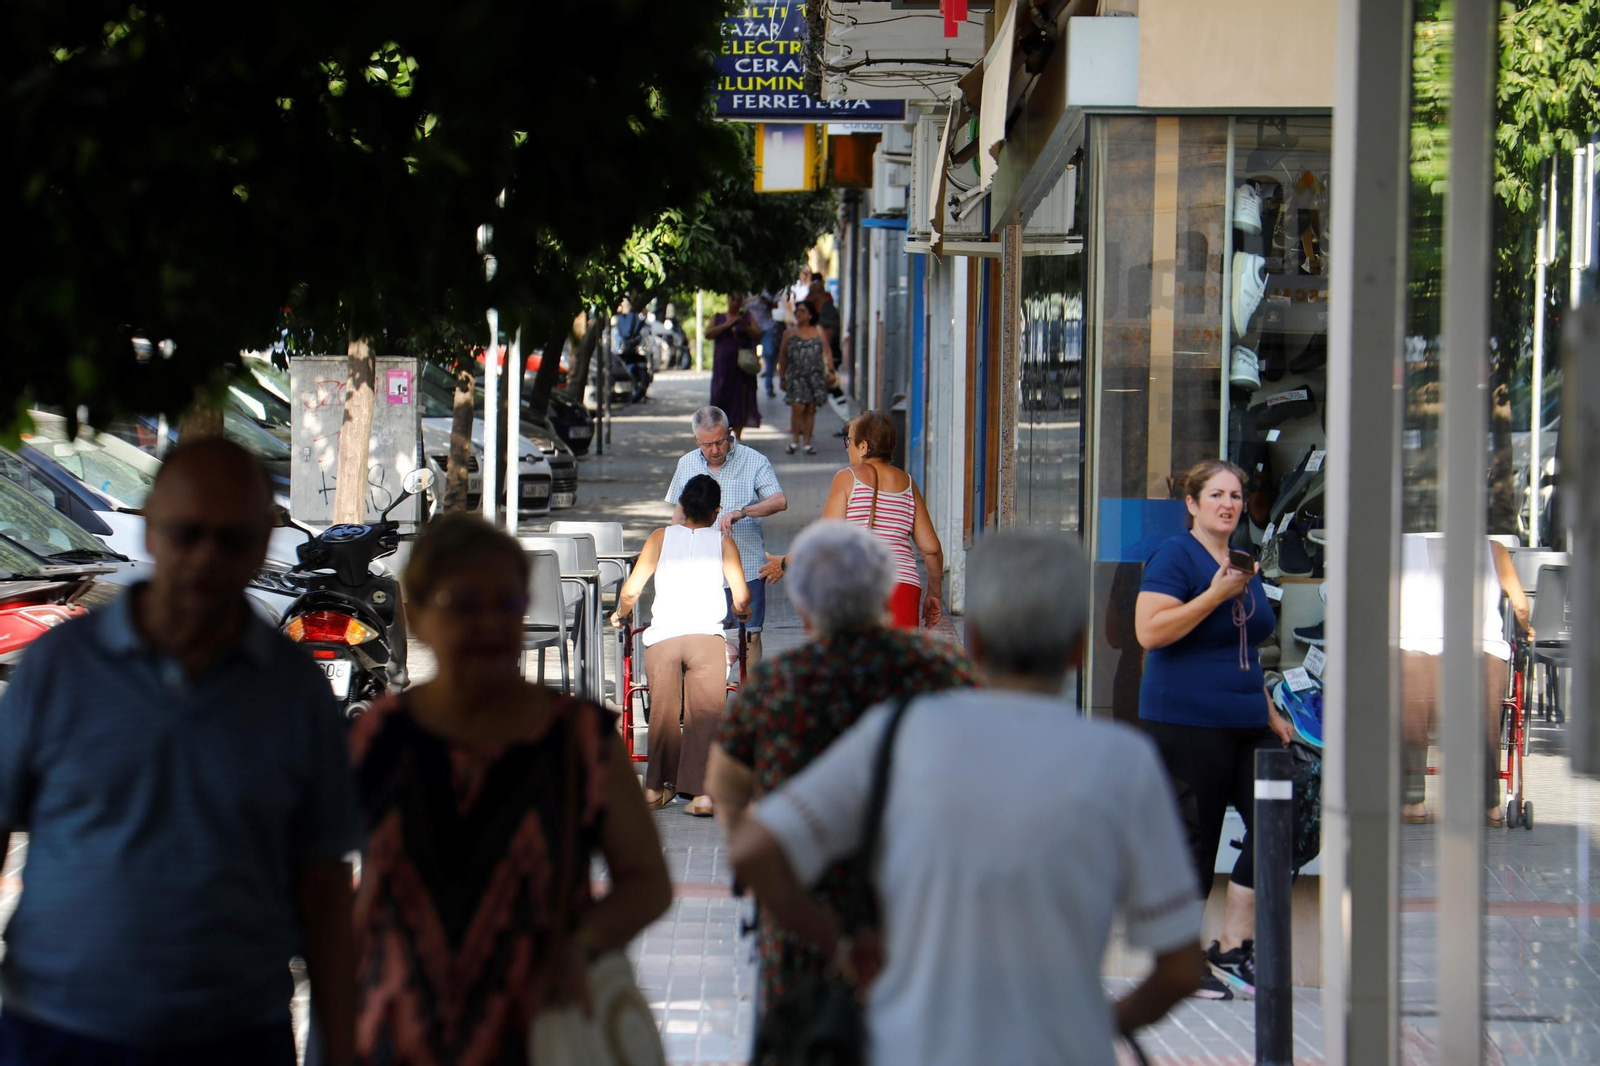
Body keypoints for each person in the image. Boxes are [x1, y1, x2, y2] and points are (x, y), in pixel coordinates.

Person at [729, 530, 1203, 1066]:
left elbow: (754, 850)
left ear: (974, 640)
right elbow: (1182, 969)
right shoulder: (1125, 762)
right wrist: (1099, 1022)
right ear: (1079, 644)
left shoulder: (903, 732)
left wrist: (840, 944)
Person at [0, 439, 361, 1066]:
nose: (205, 557)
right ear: (150, 529)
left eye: (232, 539)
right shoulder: (61, 667)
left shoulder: (293, 690)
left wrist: (342, 1048)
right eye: (186, 532)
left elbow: (324, 887)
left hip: (234, 1035)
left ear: (261, 545)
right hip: (56, 1030)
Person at [349, 514, 671, 1064]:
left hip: (540, 1029)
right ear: (418, 616)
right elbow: (346, 883)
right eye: (463, 604)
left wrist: (581, 947)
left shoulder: (580, 738)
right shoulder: (380, 734)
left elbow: (647, 884)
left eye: (507, 603)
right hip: (398, 1029)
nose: (489, 624)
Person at [707, 521, 976, 1016]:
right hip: (920, 919)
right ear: (882, 592)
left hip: (803, 922)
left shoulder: (778, 685)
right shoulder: (943, 671)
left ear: (804, 608)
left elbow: (724, 789)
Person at [1133, 457, 1294, 1001]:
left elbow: (1245, 644)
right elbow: (1149, 632)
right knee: (1194, 842)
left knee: (1281, 821)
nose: (1228, 504)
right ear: (1193, 504)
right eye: (1217, 495)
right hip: (1185, 719)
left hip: (1248, 719)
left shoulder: (1242, 560)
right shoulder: (1175, 556)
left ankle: (1231, 944)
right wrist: (1213, 596)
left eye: (1235, 495)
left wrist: (1268, 706)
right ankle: (1180, 963)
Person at [612, 475, 752, 817]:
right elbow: (742, 597)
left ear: (682, 507)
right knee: (705, 714)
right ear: (717, 511)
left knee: (661, 712)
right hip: (706, 639)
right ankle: (703, 796)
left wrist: (620, 614)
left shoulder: (660, 538)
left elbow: (631, 591)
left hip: (664, 639)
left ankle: (654, 788)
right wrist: (741, 611)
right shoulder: (723, 543)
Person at [759, 411, 944, 629]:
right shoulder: (909, 485)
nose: (847, 447)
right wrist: (935, 593)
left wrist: (786, 563)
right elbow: (931, 550)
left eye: (849, 441)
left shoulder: (848, 478)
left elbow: (826, 538)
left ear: (863, 447)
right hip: (903, 586)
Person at [1398, 534, 1531, 826]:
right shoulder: (1492, 550)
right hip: (1481, 653)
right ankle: (1490, 806)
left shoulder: (1400, 547)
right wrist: (1526, 628)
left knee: (1413, 713)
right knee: (1485, 717)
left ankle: (1414, 801)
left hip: (1418, 648)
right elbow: (1520, 606)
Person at [666, 407, 788, 668]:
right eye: (707, 444)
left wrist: (742, 512)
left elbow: (779, 501)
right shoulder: (686, 463)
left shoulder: (754, 460)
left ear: (730, 434)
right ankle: (708, 697)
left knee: (750, 637)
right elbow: (678, 514)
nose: (714, 450)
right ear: (695, 440)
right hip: (699, 572)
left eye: (720, 442)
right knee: (703, 639)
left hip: (745, 569)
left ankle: (749, 700)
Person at [776, 299, 834, 455]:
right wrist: (782, 377)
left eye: (802, 311)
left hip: (815, 376)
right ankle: (795, 440)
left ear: (810, 315)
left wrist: (831, 370)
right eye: (797, 311)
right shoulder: (789, 333)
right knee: (797, 407)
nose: (799, 314)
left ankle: (807, 442)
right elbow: (782, 356)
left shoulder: (818, 331)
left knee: (810, 408)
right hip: (796, 376)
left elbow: (827, 351)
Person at [706, 293, 762, 439]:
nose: (736, 303)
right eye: (733, 300)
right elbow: (708, 333)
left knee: (740, 399)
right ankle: (720, 434)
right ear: (728, 301)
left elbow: (757, 335)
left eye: (739, 300)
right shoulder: (718, 317)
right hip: (722, 367)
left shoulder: (747, 318)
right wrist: (727, 325)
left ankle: (738, 435)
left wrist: (743, 324)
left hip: (741, 368)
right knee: (719, 397)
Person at [746, 291, 781, 400]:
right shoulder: (745, 290)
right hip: (751, 327)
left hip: (767, 326)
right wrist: (752, 299)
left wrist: (766, 301)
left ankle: (768, 385)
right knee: (750, 358)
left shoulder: (767, 289)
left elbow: (776, 305)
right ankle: (751, 386)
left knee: (769, 354)